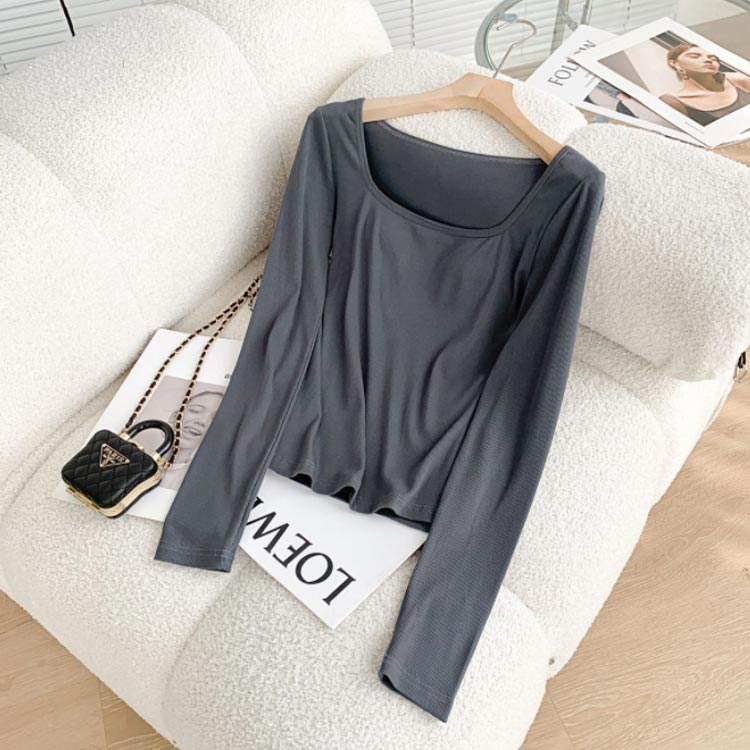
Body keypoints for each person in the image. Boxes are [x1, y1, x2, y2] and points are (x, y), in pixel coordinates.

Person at [659, 42, 750, 126]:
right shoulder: (673, 100)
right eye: (694, 56)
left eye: (713, 59)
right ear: (674, 63)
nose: (708, 60)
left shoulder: (737, 79)